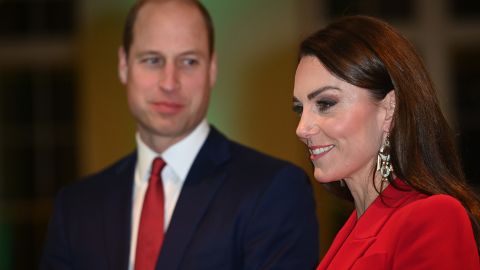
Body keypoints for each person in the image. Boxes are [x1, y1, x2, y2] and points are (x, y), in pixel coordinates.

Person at [40, 0, 319, 269]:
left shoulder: (273, 191)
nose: (169, 82)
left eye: (188, 61)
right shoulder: (76, 207)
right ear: (124, 66)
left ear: (212, 69)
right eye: (152, 60)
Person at [292, 15, 480, 269]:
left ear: (389, 108)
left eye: (325, 104)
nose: (302, 129)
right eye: (299, 108)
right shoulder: (352, 229)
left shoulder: (433, 217)